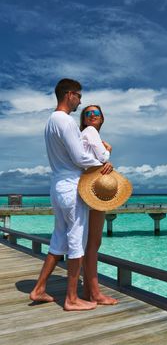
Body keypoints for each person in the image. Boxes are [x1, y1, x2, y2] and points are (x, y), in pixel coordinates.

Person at [30, 78, 113, 311]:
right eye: (78, 96)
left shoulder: (50, 121)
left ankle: (38, 289)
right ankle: (72, 299)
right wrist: (104, 159)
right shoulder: (65, 121)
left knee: (59, 239)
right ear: (69, 95)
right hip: (70, 187)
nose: (80, 100)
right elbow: (79, 158)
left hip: (57, 185)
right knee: (77, 240)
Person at [79, 105, 118, 305]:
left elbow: (94, 162)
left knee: (88, 244)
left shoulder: (85, 134)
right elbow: (102, 157)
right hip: (93, 191)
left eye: (96, 113)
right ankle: (95, 293)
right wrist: (108, 152)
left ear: (102, 118)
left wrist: (104, 163)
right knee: (94, 244)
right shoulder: (91, 131)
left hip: (87, 187)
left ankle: (88, 290)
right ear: (84, 119)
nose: (92, 116)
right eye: (88, 114)